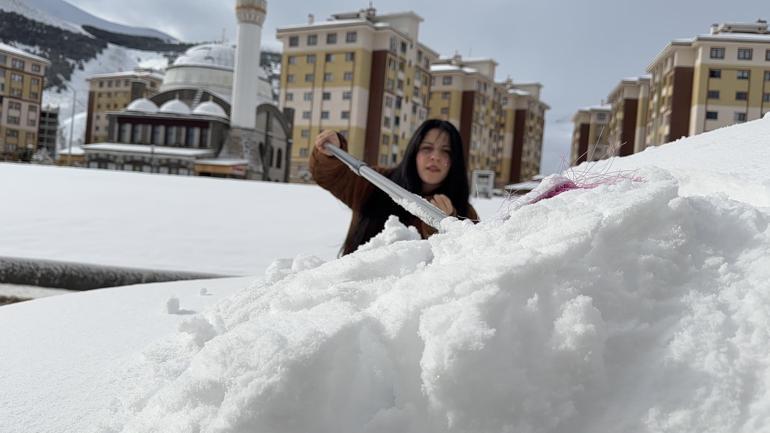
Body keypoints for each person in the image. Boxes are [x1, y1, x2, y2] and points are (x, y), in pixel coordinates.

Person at [310, 118, 478, 255]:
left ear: (455, 160)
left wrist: (446, 225)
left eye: (446, 151)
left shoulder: (465, 214)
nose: (435, 157)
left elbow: (468, 265)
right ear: (414, 152)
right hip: (355, 290)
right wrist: (332, 151)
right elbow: (331, 176)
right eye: (427, 148)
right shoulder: (377, 182)